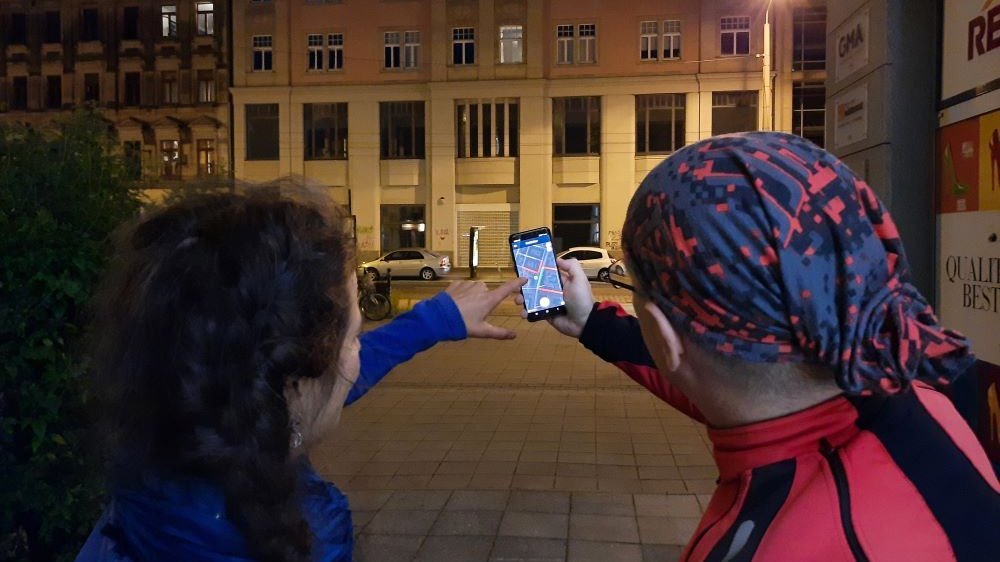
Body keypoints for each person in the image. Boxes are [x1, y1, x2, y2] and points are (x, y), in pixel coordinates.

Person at [534, 132, 1000, 561]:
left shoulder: (778, 544)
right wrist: (593, 322)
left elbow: (715, 373)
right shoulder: (914, 395)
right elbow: (725, 379)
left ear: (666, 336)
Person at [76, 191, 525, 562]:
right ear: (288, 385)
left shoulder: (143, 490)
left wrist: (433, 321)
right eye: (352, 340)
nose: (355, 360)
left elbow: (309, 379)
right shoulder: (306, 539)